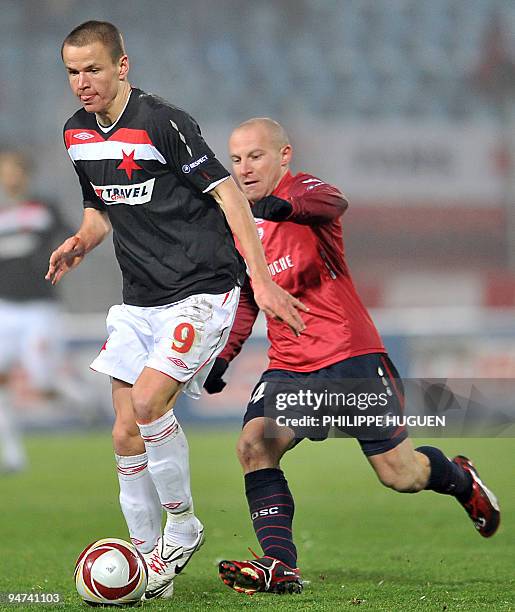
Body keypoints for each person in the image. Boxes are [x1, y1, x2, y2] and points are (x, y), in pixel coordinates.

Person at [46, 22, 306, 601]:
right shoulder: (76, 134)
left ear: (122, 66)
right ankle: (144, 557)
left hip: (201, 287)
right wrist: (82, 243)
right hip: (138, 299)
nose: (82, 82)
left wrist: (260, 282)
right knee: (122, 432)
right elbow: (99, 208)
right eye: (72, 71)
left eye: (93, 69)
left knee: (147, 401)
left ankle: (182, 525)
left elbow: (229, 194)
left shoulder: (162, 120)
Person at [203, 117, 501, 595]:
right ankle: (280, 564)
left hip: (348, 356)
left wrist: (280, 206)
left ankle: (460, 479)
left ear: (284, 155)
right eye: (236, 159)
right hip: (289, 365)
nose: (244, 168)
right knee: (254, 446)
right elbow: (248, 295)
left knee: (400, 475)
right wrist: (225, 356)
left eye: (255, 156)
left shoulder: (305, 193)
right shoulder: (238, 222)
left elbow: (334, 200)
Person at [0, 150, 69, 473]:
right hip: (4, 306)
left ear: (25, 173)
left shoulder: (44, 207)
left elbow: (70, 238)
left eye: (13, 169)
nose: (8, 176)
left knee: (42, 381)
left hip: (39, 305)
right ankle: (13, 454)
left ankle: (87, 405)